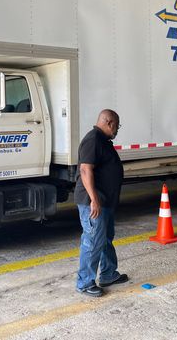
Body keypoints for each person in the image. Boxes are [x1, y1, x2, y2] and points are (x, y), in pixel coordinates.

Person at [74, 109, 129, 297]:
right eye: (117, 126)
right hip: (93, 203)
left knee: (105, 239)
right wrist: (94, 200)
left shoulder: (102, 140)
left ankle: (107, 274)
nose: (117, 130)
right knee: (92, 241)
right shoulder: (93, 139)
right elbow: (85, 170)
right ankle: (85, 282)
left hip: (105, 202)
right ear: (109, 122)